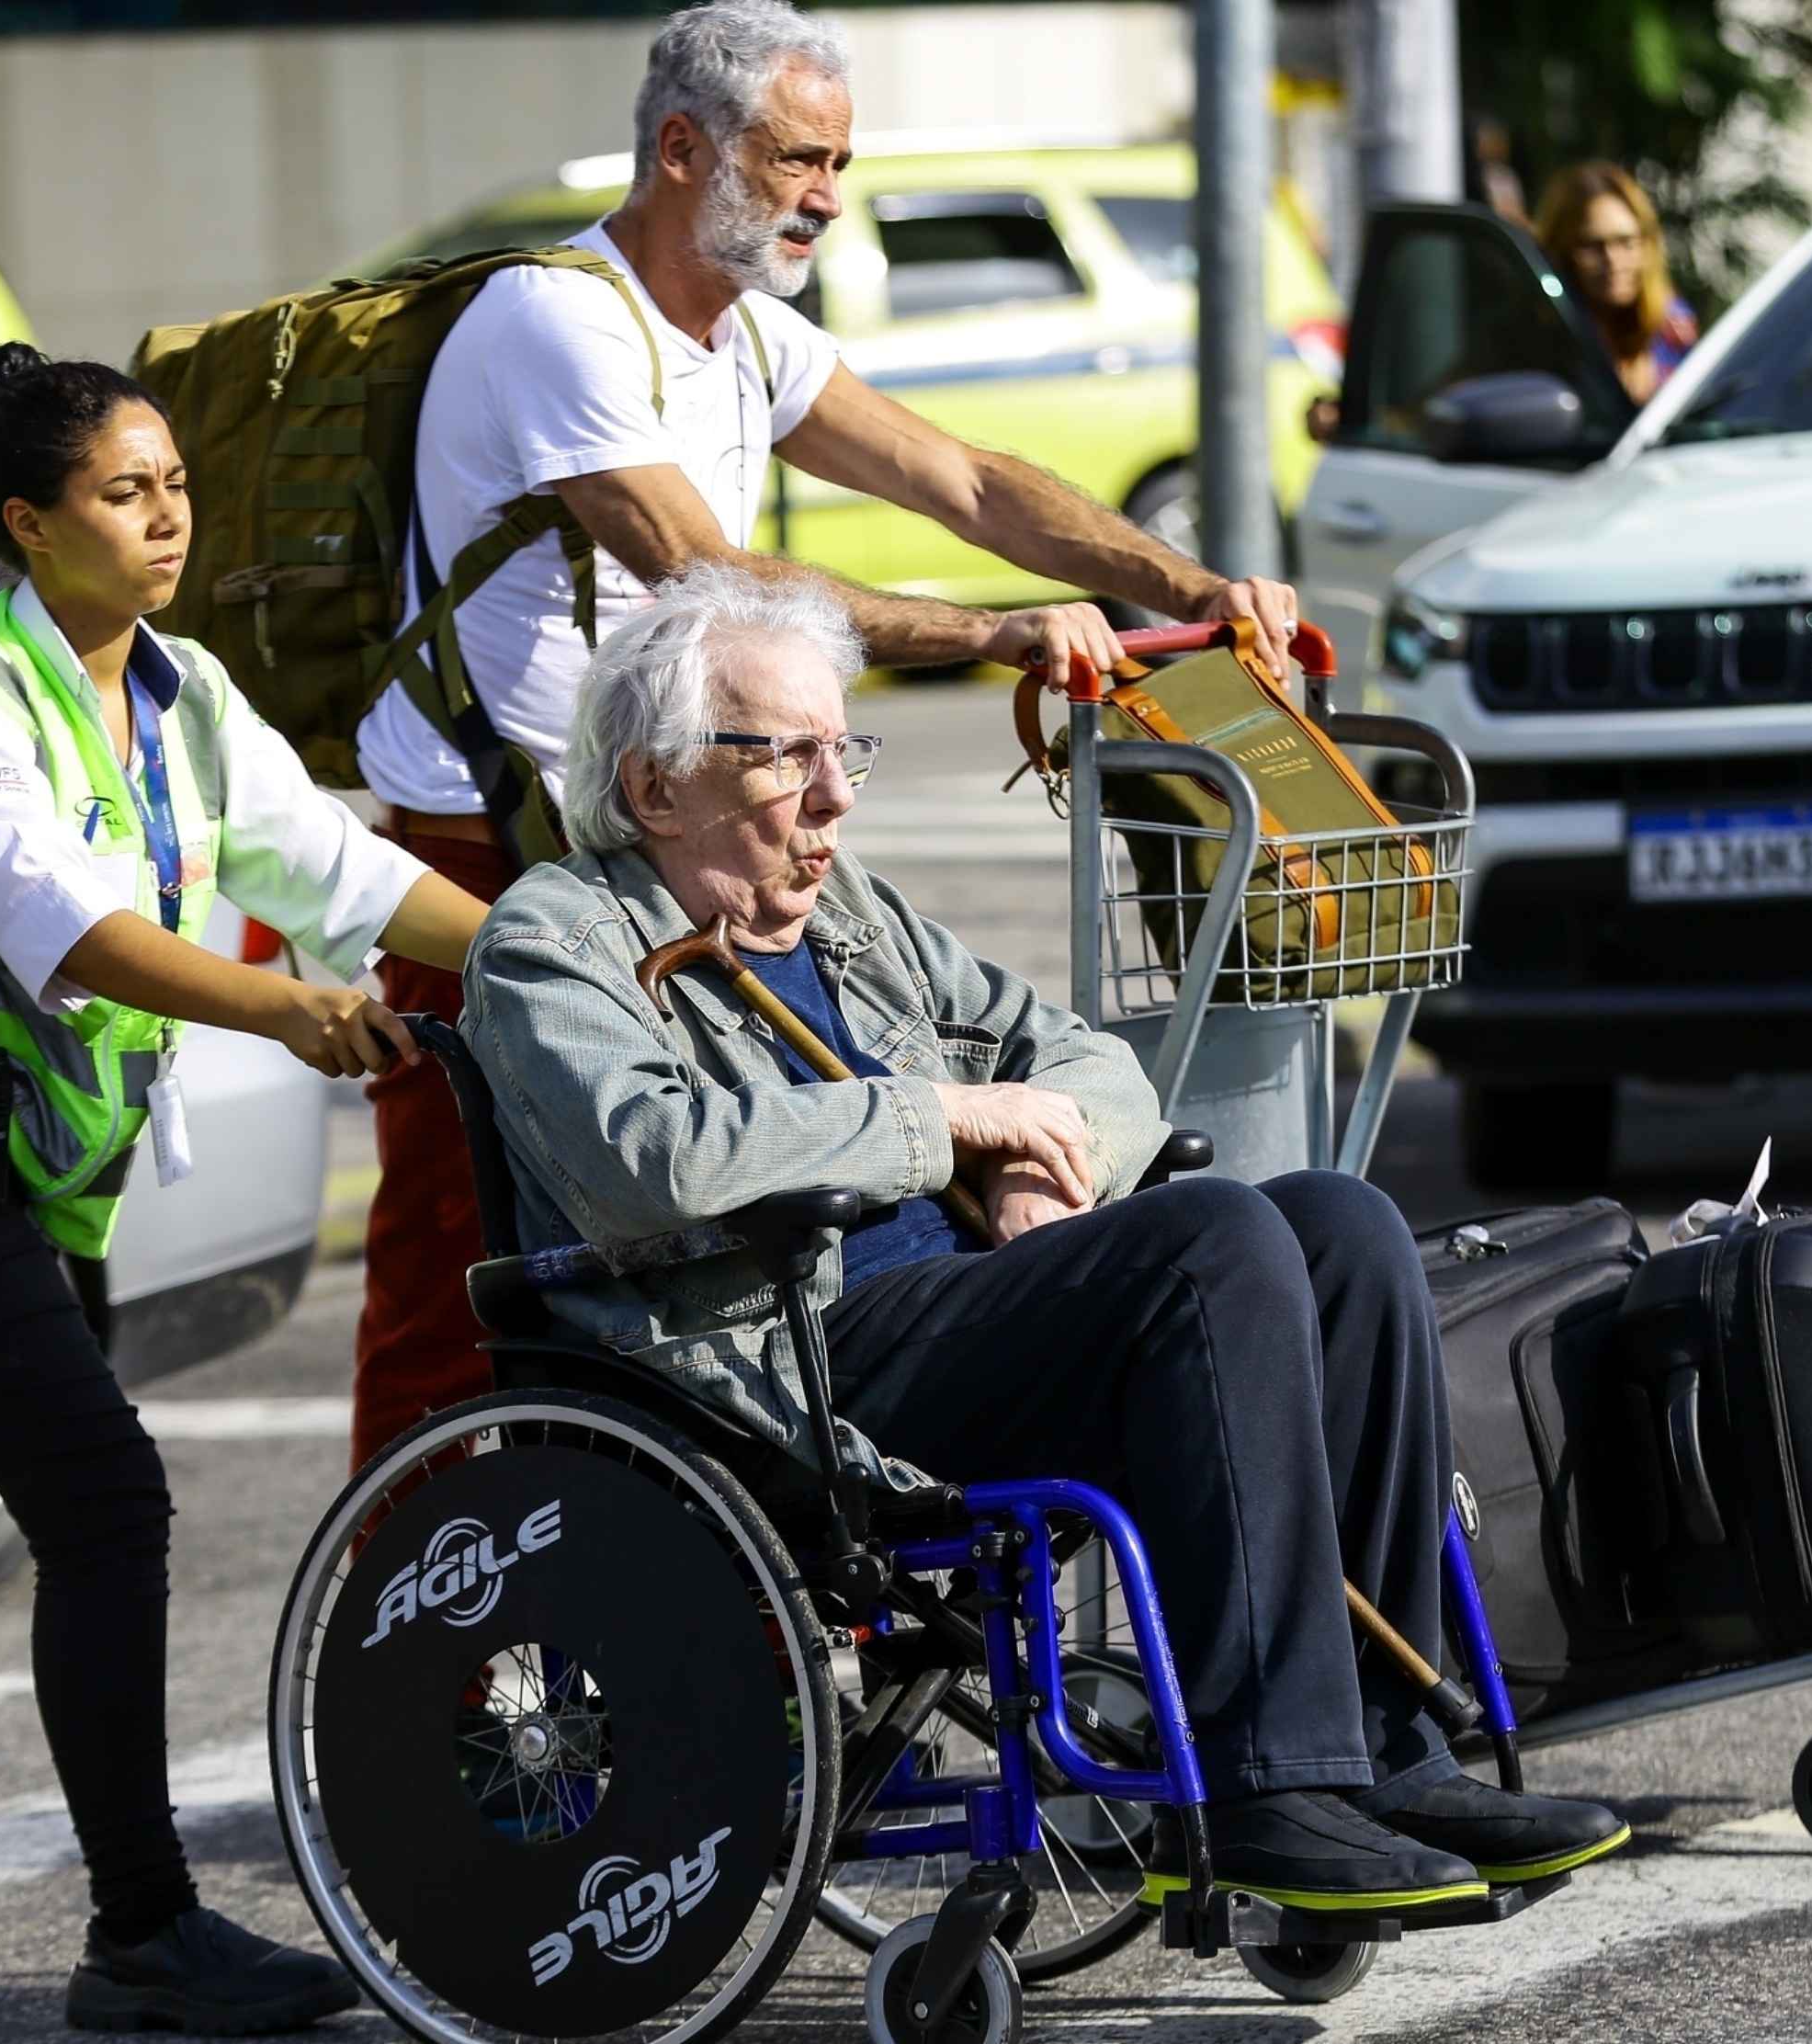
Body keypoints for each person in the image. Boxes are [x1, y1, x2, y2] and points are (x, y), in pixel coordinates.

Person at [461, 566, 1630, 1906]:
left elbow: (1089, 1066)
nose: (837, 796)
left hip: (972, 1312)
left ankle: (1381, 1749)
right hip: (786, 1368)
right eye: (790, 756)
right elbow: (653, 1162)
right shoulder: (554, 939)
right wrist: (943, 1121)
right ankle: (1266, 1787)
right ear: (658, 783)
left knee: (1337, 1226)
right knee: (1208, 1244)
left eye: (849, 750)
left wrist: (1039, 1170)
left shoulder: (851, 918)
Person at [347, 0, 1305, 1472]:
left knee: (741, 1218)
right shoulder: (560, 321)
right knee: (462, 1271)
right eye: (798, 158)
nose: (828, 197)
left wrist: (1191, 587)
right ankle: (427, 1635)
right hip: (509, 852)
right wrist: (993, 631)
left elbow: (966, 481)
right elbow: (707, 580)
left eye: (840, 160)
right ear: (682, 147)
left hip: (692, 837)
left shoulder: (745, 337)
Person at [0, 345, 489, 2033]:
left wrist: (550, 949)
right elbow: (67, 927)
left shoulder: (181, 692)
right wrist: (288, 1001)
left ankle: (142, 1929)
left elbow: (342, 870)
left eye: (174, 487)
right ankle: (143, 1928)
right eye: (123, 493)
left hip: (8, 1184)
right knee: (105, 1507)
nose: (168, 519)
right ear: (29, 520)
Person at [1535, 160, 1698, 404]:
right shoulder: (1540, 341)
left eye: (1626, 241)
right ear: (1562, 251)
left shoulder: (1674, 327)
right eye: (1592, 245)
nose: (1613, 260)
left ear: (1647, 244)